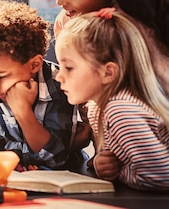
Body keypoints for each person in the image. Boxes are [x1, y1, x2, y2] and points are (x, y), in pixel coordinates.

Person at [55, 8, 169, 191]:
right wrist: (102, 162)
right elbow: (118, 155)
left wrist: (122, 171)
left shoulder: (121, 110)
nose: (59, 77)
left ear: (108, 72)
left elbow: (162, 177)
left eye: (68, 68)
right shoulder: (97, 108)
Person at [0, 0, 85, 170]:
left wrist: (22, 111)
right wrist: (36, 152)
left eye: (1, 76)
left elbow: (56, 158)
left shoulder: (60, 85)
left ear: (34, 65)